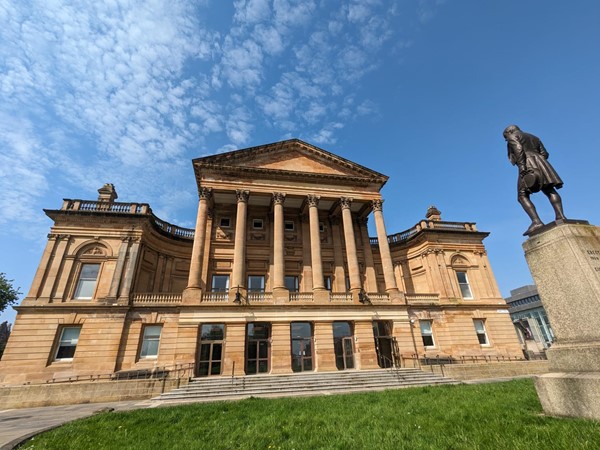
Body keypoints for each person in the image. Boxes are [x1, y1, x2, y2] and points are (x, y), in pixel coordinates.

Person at [503, 125, 567, 236]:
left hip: (527, 164)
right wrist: (538, 161)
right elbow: (545, 154)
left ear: (509, 132)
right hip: (542, 163)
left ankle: (536, 221)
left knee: (522, 195)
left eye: (505, 136)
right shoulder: (534, 137)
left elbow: (518, 150)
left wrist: (523, 167)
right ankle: (561, 216)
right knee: (549, 189)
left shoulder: (512, 137)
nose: (506, 139)